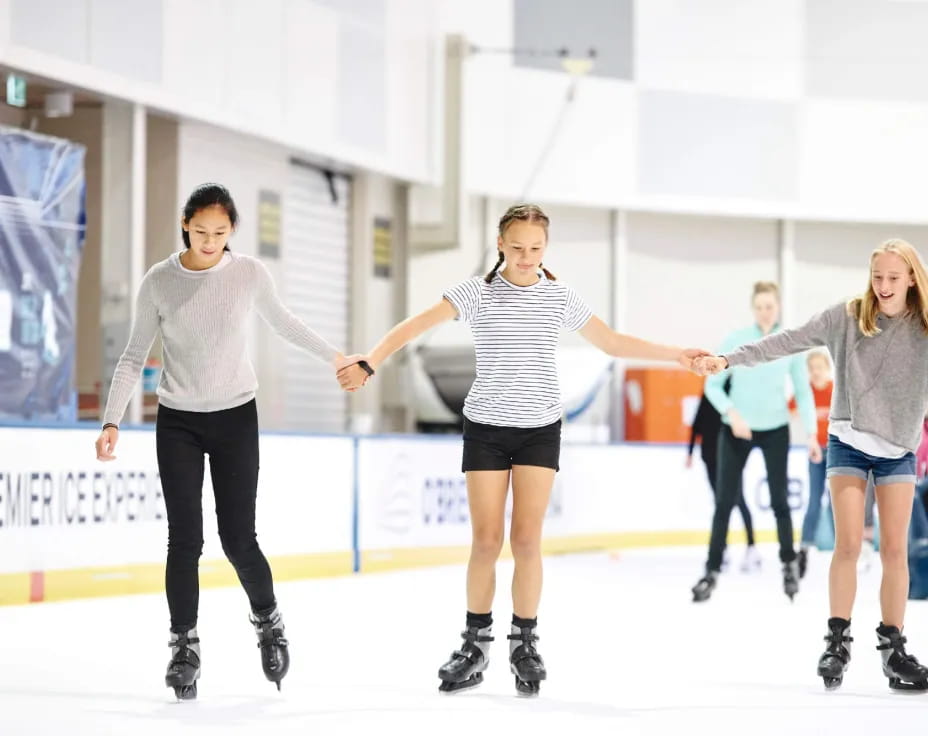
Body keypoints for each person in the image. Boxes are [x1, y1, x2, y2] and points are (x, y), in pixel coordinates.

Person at [338, 203, 709, 696]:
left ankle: (524, 642)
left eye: (535, 248)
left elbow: (613, 342)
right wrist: (371, 359)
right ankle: (474, 642)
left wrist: (676, 355)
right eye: (517, 248)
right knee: (487, 541)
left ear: (545, 249)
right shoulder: (478, 293)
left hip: (539, 429)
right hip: (487, 429)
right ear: (500, 246)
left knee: (528, 540)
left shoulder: (558, 297)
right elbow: (416, 325)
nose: (526, 257)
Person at [94, 183, 369, 700]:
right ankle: (184, 646)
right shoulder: (159, 281)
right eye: (201, 231)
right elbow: (134, 355)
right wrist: (112, 420)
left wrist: (335, 356)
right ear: (184, 224)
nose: (210, 241)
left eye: (220, 233)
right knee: (185, 540)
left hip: (236, 417)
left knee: (238, 538)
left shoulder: (248, 274)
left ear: (232, 231)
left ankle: (269, 625)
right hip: (177, 419)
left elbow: (284, 322)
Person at [695, 239, 928, 692]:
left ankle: (893, 649)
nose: (883, 286)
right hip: (848, 442)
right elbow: (788, 341)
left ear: (913, 279)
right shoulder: (847, 316)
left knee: (894, 550)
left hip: (898, 448)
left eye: (893, 278)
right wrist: (728, 360)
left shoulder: (924, 328)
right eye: (877, 276)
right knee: (846, 547)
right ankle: (837, 641)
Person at [691, 282, 820, 603]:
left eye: (770, 306)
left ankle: (788, 563)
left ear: (777, 307)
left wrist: (813, 433)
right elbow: (713, 387)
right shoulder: (735, 341)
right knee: (724, 501)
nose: (765, 311)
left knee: (779, 501)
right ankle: (711, 570)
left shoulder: (789, 343)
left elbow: (803, 393)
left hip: (775, 428)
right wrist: (731, 413)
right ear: (754, 308)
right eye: (760, 306)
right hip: (737, 429)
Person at [686, 382, 758, 572]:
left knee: (738, 500)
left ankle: (751, 547)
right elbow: (696, 423)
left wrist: (742, 458)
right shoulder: (709, 393)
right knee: (720, 503)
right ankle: (721, 549)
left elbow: (747, 428)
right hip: (709, 456)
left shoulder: (735, 394)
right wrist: (690, 452)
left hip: (730, 458)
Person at [796, 349, 835, 578]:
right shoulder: (806, 392)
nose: (815, 372)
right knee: (813, 500)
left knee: (835, 501)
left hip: (836, 452)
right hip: (815, 451)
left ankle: (843, 547)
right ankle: (804, 548)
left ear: (826, 368)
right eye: (811, 368)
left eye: (819, 367)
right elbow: (787, 409)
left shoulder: (834, 390)